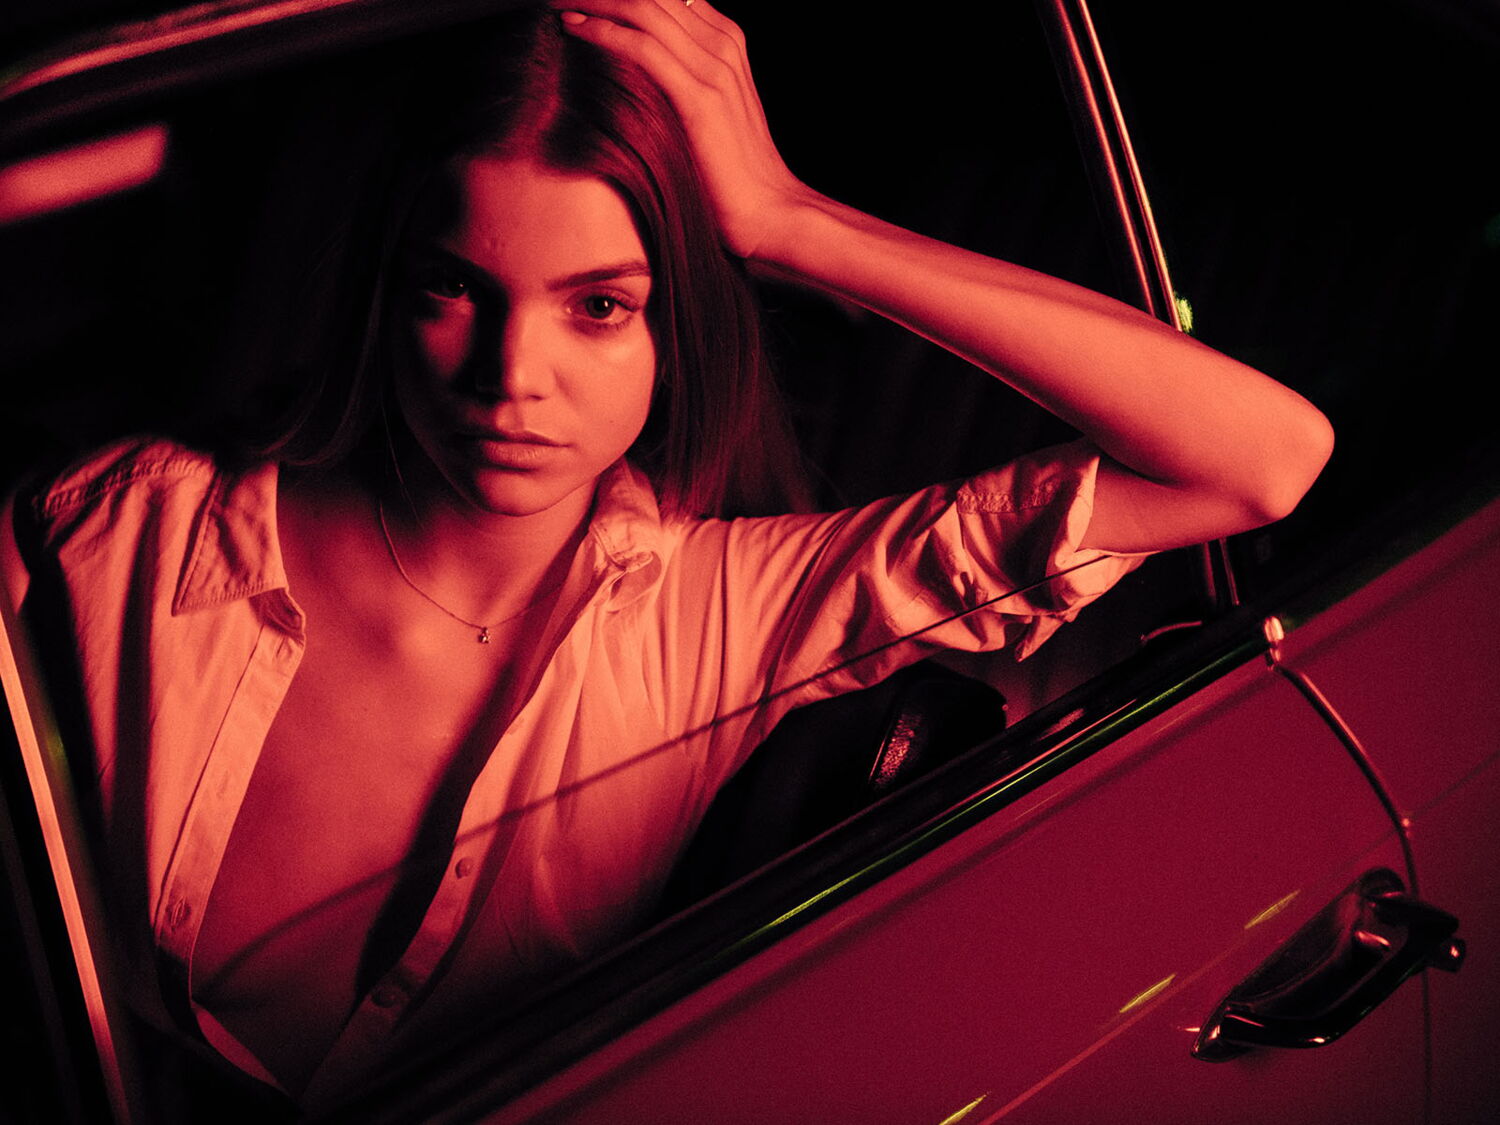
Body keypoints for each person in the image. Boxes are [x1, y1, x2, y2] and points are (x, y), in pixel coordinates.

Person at [2, 0, 1333, 1109]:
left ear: (674, 324)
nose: (513, 379)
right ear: (382, 296)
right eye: (451, 288)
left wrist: (789, 221)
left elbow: (1258, 459)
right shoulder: (126, 536)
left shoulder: (728, 615)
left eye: (599, 308)